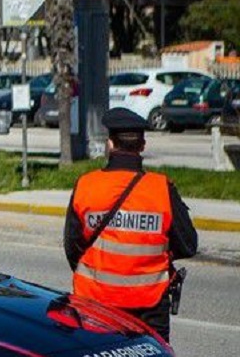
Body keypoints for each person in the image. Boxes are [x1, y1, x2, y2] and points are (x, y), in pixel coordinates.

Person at [64, 107, 197, 340]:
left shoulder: (86, 185)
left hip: (94, 303)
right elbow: (188, 245)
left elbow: (72, 246)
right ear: (142, 146)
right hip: (150, 305)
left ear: (110, 144)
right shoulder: (161, 189)